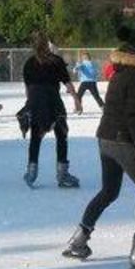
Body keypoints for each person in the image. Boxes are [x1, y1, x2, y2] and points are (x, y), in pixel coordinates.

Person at [63, 25, 135, 269]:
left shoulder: (122, 71)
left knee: (109, 191)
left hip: (106, 139)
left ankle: (79, 239)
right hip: (124, 141)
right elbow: (134, 116)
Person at [22, 32, 82, 189]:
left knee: (35, 138)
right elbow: (67, 84)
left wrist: (30, 106)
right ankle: (62, 174)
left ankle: (31, 172)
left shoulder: (29, 63)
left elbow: (28, 89)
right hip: (53, 101)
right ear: (48, 44)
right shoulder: (56, 61)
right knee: (61, 135)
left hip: (36, 102)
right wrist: (76, 99)